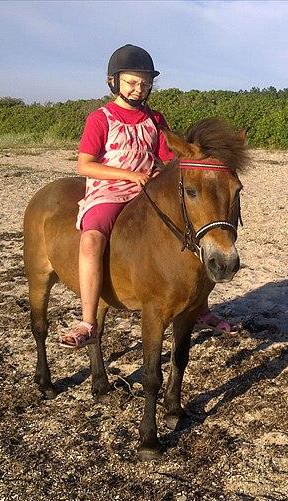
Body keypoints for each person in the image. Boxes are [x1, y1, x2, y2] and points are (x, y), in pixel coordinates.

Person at [60, 44, 233, 348]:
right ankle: (88, 320)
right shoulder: (100, 119)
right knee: (91, 239)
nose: (139, 89)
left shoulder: (155, 119)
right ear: (113, 82)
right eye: (131, 82)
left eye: (144, 83)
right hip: (110, 192)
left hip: (149, 192)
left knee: (193, 231)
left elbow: (168, 157)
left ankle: (200, 307)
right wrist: (131, 176)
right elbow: (85, 165)